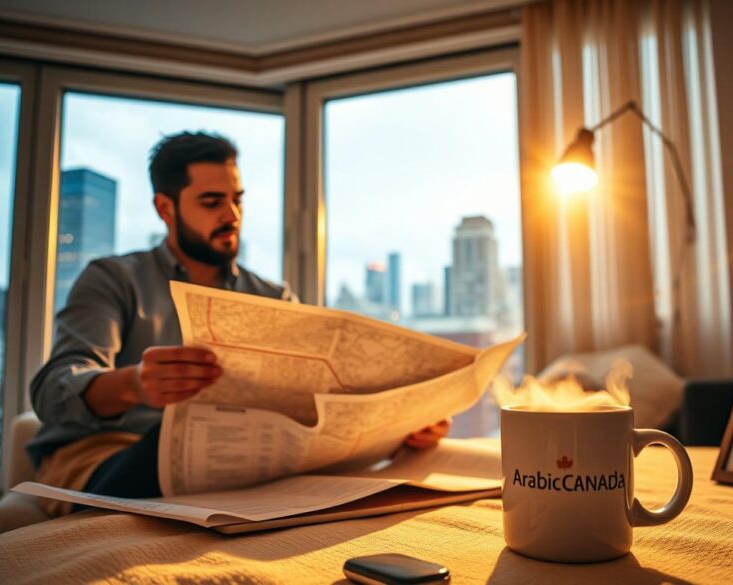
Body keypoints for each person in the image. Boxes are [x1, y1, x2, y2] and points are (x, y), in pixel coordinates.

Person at [28, 132, 450, 515]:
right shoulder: (113, 279)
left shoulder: (272, 297)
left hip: (243, 460)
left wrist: (403, 424)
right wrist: (134, 384)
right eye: (212, 202)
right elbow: (52, 389)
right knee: (162, 444)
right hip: (111, 453)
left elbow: (320, 399)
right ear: (165, 208)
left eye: (238, 199)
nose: (231, 214)